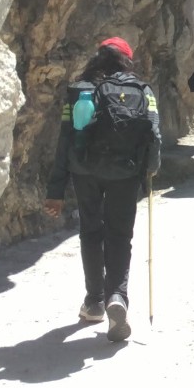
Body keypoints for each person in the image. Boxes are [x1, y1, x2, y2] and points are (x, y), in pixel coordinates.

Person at [43, 37, 161, 342]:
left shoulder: (80, 91)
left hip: (85, 172)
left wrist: (55, 189)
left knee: (91, 232)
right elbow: (154, 135)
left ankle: (94, 301)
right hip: (126, 173)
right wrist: (149, 172)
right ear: (126, 61)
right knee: (120, 236)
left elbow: (65, 140)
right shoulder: (142, 91)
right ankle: (117, 298)